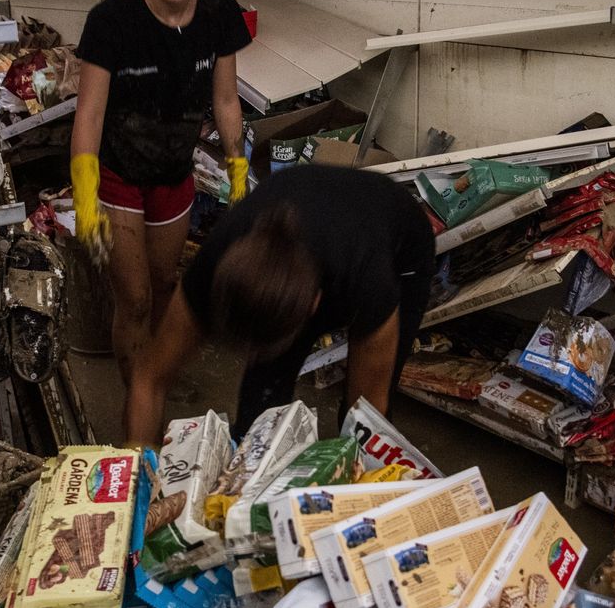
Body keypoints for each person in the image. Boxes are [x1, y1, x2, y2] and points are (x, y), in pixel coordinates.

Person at [70, 0, 253, 386]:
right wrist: (86, 201)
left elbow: (227, 101)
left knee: (166, 283)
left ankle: (156, 371)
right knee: (134, 299)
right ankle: (140, 394)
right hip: (119, 173)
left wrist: (239, 174)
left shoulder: (220, 14)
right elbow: (88, 114)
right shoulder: (111, 22)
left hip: (175, 170)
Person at [125, 163, 437, 447]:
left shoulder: (368, 279)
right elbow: (148, 379)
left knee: (356, 428)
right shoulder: (214, 265)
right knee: (258, 422)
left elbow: (369, 415)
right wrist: (140, 472)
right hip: (307, 238)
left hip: (401, 246)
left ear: (313, 305)